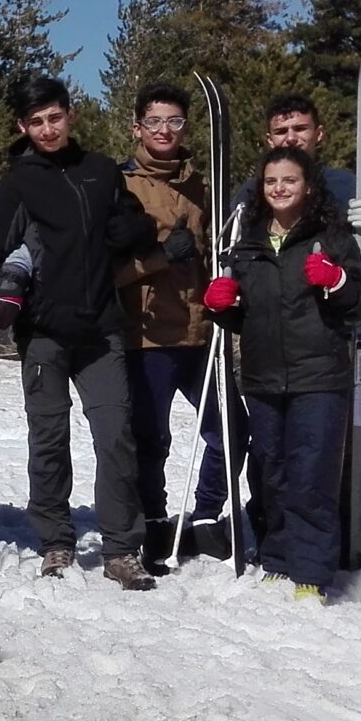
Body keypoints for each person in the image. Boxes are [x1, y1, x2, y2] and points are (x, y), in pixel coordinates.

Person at [0, 76, 159, 590]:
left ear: (69, 115)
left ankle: (122, 548)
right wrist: (19, 300)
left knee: (116, 437)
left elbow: (134, 223)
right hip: (45, 335)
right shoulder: (19, 182)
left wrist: (134, 231)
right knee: (49, 439)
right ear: (23, 126)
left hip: (101, 329)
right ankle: (56, 541)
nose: (47, 128)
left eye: (54, 117)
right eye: (36, 121)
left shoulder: (100, 171)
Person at [205, 148, 361, 598]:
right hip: (262, 376)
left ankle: (311, 571)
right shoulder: (248, 243)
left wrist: (336, 282)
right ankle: (275, 554)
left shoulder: (332, 238)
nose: (279, 188)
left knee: (311, 473)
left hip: (319, 378)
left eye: (289, 180)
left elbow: (360, 301)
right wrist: (222, 304)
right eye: (271, 180)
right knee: (270, 471)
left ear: (308, 186)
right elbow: (241, 314)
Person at [114, 83, 228, 560]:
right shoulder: (119, 183)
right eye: (155, 121)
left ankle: (205, 514)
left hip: (200, 332)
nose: (165, 130)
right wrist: (160, 258)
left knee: (231, 432)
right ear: (138, 127)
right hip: (148, 334)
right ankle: (155, 520)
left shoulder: (204, 183)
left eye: (175, 121)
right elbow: (107, 273)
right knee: (152, 439)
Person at [263, 93, 361, 252]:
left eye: (300, 129)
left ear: (318, 134)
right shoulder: (250, 194)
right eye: (281, 131)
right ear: (270, 140)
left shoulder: (349, 188)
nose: (291, 138)